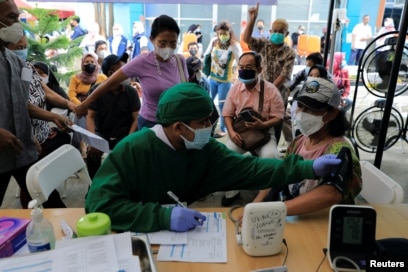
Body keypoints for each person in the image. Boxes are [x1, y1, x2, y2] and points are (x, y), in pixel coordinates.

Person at [84, 82, 342, 233]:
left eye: (211, 119)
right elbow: (99, 206)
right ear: (177, 127)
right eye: (203, 122)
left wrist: (307, 168)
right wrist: (163, 217)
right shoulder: (132, 151)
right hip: (133, 242)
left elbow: (253, 169)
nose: (210, 127)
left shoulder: (203, 148)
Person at [259, 77, 362, 215]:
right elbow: (281, 173)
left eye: (311, 109)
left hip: (322, 222)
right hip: (296, 217)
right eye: (300, 106)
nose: (302, 113)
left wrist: (271, 212)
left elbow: (330, 193)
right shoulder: (299, 142)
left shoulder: (339, 150)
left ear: (332, 113)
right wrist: (255, 206)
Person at [75, 15, 189, 131]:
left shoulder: (180, 61)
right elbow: (109, 83)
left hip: (176, 122)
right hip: (152, 124)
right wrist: (85, 104)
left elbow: (186, 91)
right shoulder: (142, 61)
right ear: (152, 40)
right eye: (162, 43)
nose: (168, 48)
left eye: (173, 43)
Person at [5, 32, 73, 208]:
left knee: (43, 190)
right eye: (18, 47)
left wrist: (68, 104)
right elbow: (24, 105)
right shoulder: (7, 70)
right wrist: (53, 116)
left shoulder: (25, 67)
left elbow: (44, 91)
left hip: (30, 140)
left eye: (24, 47)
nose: (22, 51)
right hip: (17, 139)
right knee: (34, 192)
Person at [221, 51, 285, 206]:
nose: (244, 70)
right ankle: (232, 193)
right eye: (241, 67)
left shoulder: (270, 90)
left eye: (249, 67)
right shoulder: (235, 88)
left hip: (264, 133)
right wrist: (231, 132)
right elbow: (227, 114)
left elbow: (279, 116)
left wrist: (263, 125)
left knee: (271, 158)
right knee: (225, 157)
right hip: (241, 133)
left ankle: (267, 194)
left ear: (259, 69)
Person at [243, 4, 296, 146]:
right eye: (275, 30)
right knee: (259, 123)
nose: (278, 33)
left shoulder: (290, 52)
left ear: (287, 34)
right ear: (270, 31)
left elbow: (284, 74)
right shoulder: (263, 44)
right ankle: (257, 150)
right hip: (260, 94)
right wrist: (252, 19)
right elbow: (246, 39)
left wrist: (269, 89)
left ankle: (273, 151)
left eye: (281, 31)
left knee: (276, 124)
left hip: (279, 95)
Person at [86, 53, 140, 179]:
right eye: (123, 69)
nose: (127, 72)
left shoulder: (130, 92)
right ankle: (94, 186)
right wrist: (93, 140)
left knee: (132, 151)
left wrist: (129, 138)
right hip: (102, 133)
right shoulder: (96, 91)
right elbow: (90, 117)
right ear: (111, 73)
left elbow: (136, 118)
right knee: (92, 153)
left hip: (124, 133)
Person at [203, 21, 242, 138]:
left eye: (225, 33)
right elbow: (206, 55)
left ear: (230, 33)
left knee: (223, 106)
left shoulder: (234, 45)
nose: (222, 36)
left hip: (226, 81)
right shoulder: (214, 42)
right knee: (207, 103)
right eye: (220, 33)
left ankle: (223, 128)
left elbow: (241, 61)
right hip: (212, 78)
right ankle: (207, 126)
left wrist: (236, 74)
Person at [68, 53, 107, 156]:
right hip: (81, 107)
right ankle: (83, 146)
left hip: (98, 107)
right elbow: (71, 94)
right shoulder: (75, 78)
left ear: (96, 63)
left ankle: (93, 145)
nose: (89, 64)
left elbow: (107, 92)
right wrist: (81, 106)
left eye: (92, 62)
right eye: (86, 62)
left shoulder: (102, 78)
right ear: (82, 64)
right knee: (79, 116)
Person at [375, 17, 396, 90]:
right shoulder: (383, 29)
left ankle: (385, 81)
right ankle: (382, 80)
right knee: (377, 64)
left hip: (385, 50)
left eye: (387, 21)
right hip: (378, 48)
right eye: (385, 21)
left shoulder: (392, 30)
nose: (385, 22)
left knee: (383, 66)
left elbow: (388, 40)